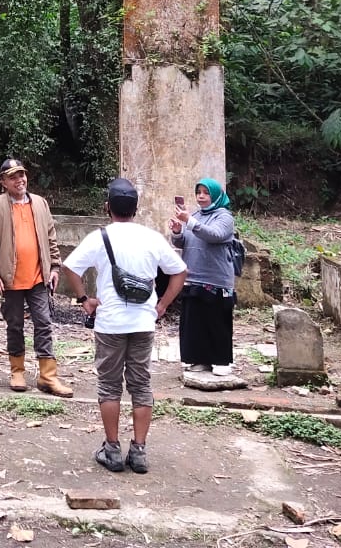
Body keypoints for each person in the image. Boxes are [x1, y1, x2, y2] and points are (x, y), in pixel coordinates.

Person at [62, 178, 187, 474]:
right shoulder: (151, 237)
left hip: (110, 324)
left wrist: (85, 299)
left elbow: (70, 267)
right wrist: (162, 305)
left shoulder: (99, 237)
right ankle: (140, 451)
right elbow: (180, 272)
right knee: (141, 385)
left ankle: (113, 449)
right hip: (144, 322)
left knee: (109, 385)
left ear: (107, 208)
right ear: (136, 209)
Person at [0, 158, 73, 397]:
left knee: (44, 323)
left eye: (21, 175)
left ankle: (47, 376)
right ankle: (17, 371)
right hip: (10, 280)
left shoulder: (40, 203)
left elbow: (51, 238)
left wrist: (54, 267)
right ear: (3, 182)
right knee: (15, 325)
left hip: (38, 277)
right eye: (12, 177)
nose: (19, 180)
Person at [169, 177, 237, 377]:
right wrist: (178, 232)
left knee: (217, 322)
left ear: (216, 195)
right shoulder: (196, 215)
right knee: (195, 323)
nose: (201, 196)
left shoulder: (224, 217)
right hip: (193, 277)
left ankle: (222, 361)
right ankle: (200, 361)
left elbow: (214, 235)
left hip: (216, 279)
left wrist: (189, 221)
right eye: (198, 192)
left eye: (206, 193)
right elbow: (185, 243)